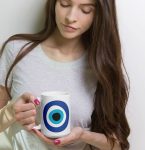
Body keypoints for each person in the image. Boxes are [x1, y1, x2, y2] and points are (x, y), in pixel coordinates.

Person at [0, 0, 130, 149]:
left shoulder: (101, 67)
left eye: (86, 10)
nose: (70, 17)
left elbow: (118, 145)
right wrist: (9, 113)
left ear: (99, 14)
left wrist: (83, 135)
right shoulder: (16, 50)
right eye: (65, 4)